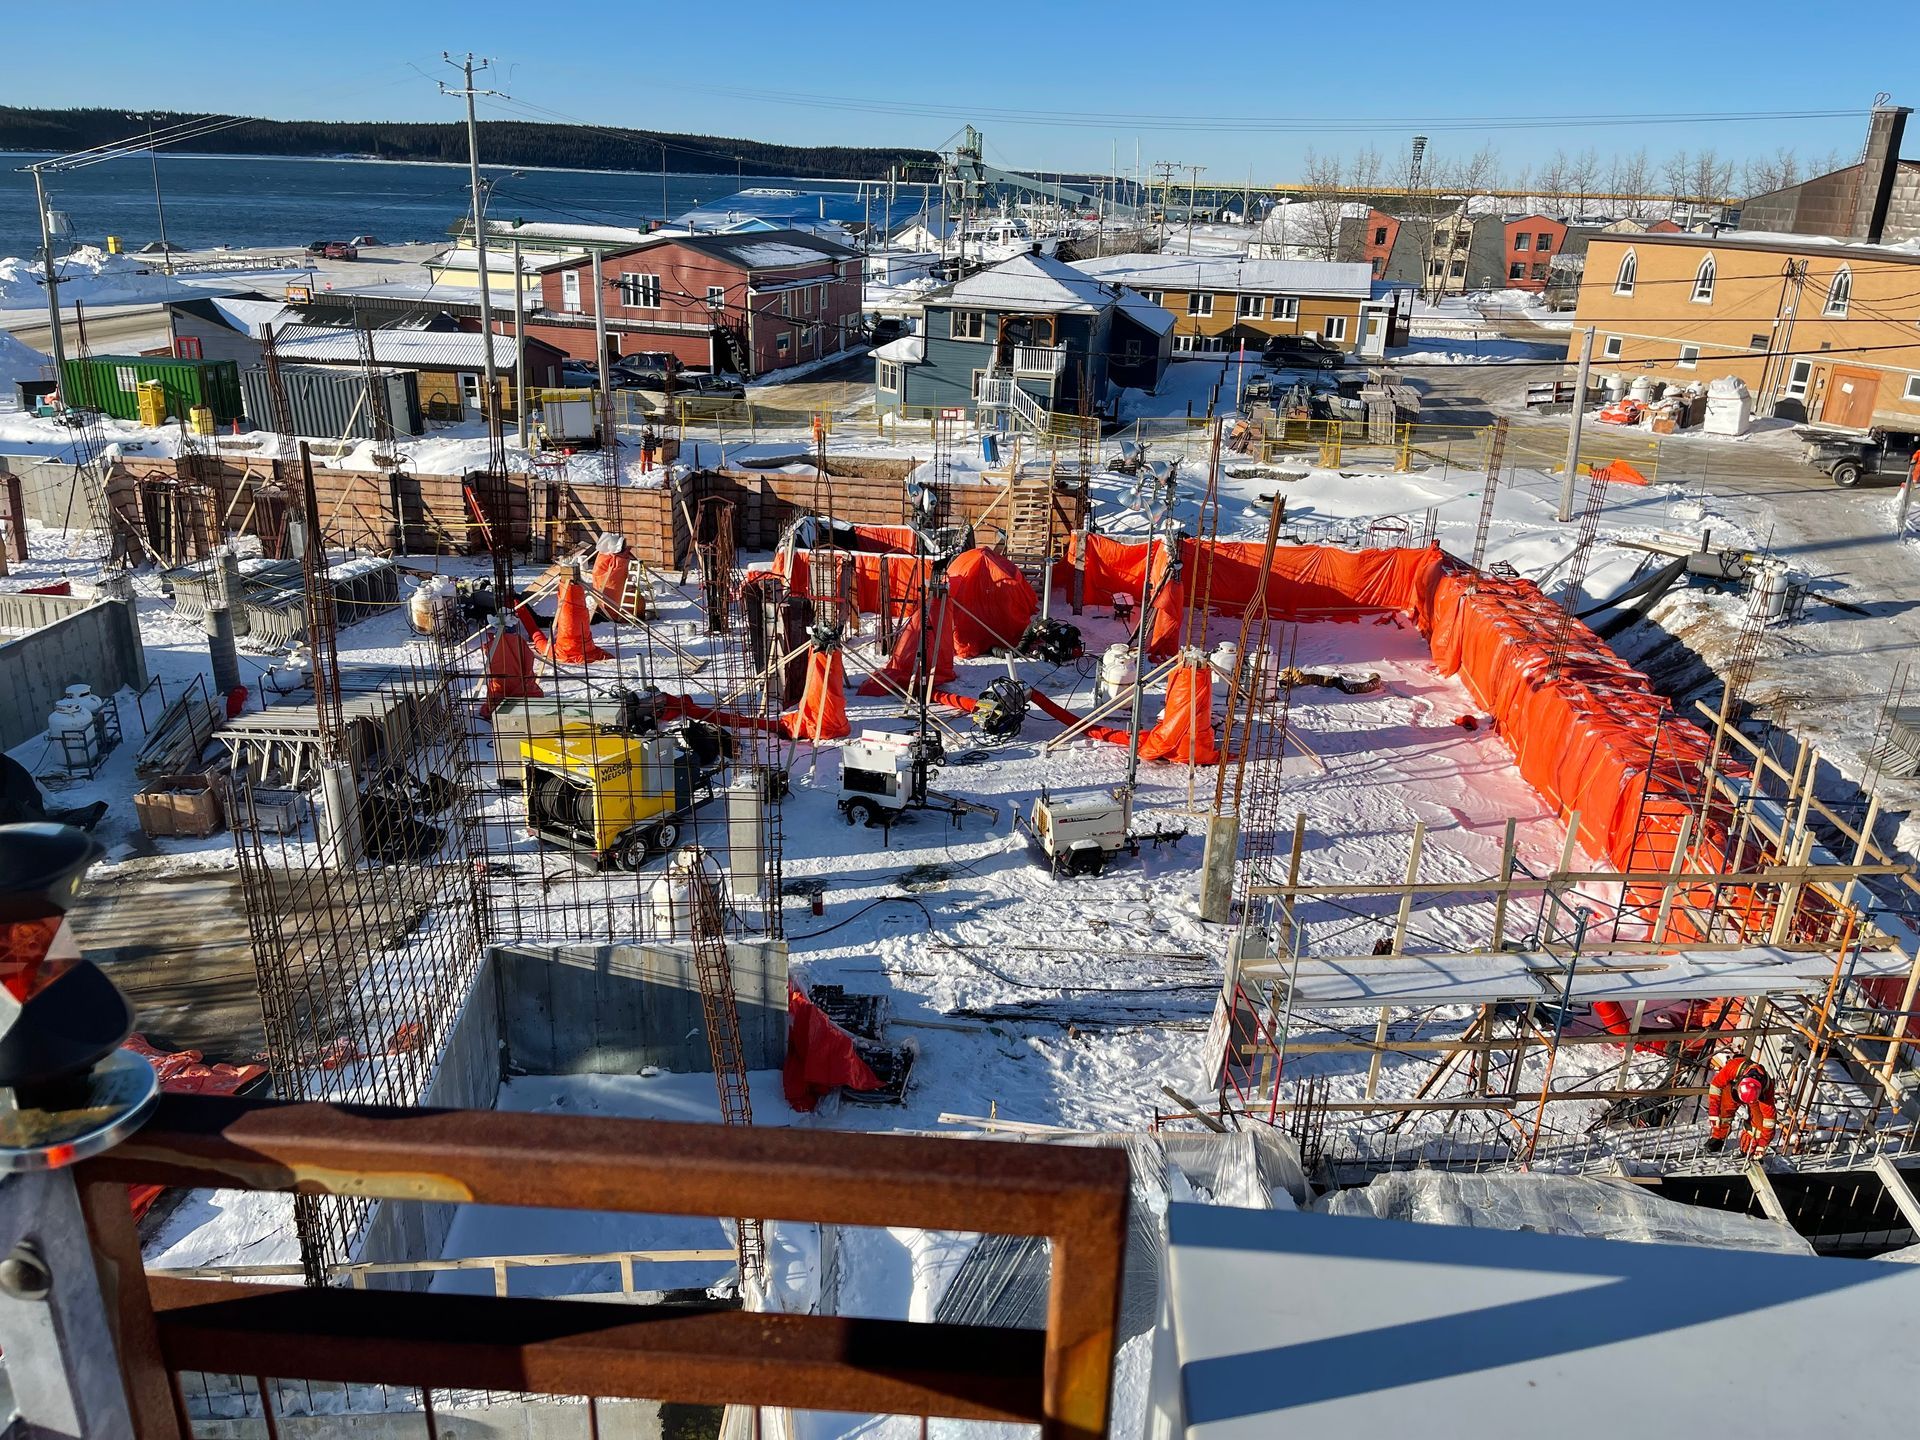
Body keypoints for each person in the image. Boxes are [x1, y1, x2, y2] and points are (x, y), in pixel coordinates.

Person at [1705, 1051, 1777, 1156]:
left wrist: (1762, 1145)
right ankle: (1718, 1137)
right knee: (1722, 1112)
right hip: (1732, 1091)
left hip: (1755, 1100)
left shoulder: (1767, 1090)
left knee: (1758, 1126)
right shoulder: (1734, 1066)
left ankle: (1749, 1148)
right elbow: (1716, 1086)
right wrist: (1713, 1112)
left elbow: (1769, 1122)